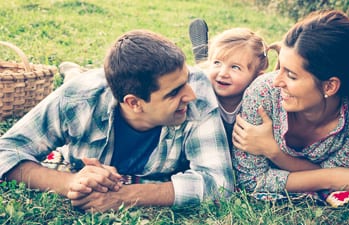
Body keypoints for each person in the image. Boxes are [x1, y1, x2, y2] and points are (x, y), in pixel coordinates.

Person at [0, 29, 234, 212]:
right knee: (77, 81)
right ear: (134, 103)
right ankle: (73, 72)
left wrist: (123, 196)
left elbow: (219, 183)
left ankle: (74, 69)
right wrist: (70, 183)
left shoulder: (199, 93)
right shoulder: (77, 98)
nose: (190, 95)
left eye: (186, 80)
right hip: (90, 87)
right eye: (173, 93)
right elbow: (6, 150)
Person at [232, 10, 349, 196]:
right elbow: (251, 179)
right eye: (280, 67)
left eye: (291, 75)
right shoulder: (263, 94)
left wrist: (274, 153)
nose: (276, 81)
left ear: (329, 86)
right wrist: (332, 177)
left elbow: (342, 175)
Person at [189, 19, 278, 150]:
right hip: (209, 138)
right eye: (217, 62)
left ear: (257, 78)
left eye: (235, 67)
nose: (224, 73)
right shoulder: (201, 90)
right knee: (204, 76)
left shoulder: (257, 101)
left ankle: (208, 59)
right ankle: (204, 61)